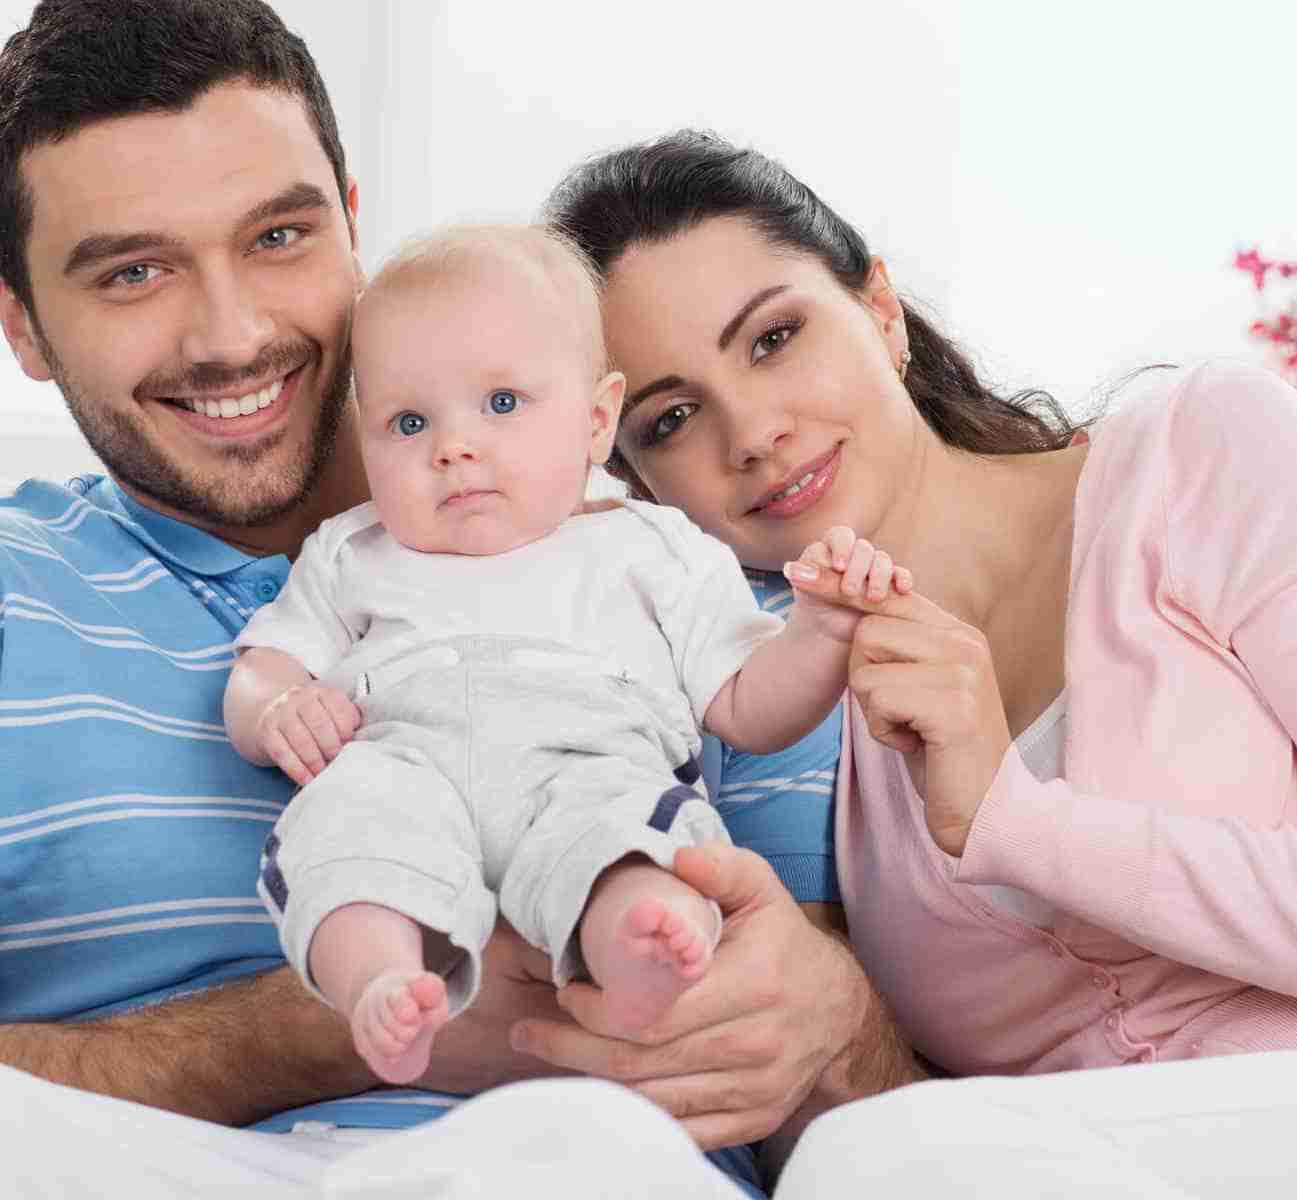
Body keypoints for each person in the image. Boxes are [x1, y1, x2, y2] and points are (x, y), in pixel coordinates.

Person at [530, 131, 1297, 1196]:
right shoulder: (809, 725)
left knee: (885, 1166)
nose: (751, 432)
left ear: (878, 309)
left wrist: (1019, 821)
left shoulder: (1198, 455)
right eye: (672, 422)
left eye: (776, 339)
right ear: (639, 485)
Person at [0, 4, 904, 1196]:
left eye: (278, 236)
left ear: (352, 226)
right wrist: (293, 1034)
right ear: (23, 326)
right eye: (134, 271)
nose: (233, 334)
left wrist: (832, 1025)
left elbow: (881, 1114)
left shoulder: (673, 553)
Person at [224, 223, 907, 1087]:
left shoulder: (655, 548)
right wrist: (279, 706)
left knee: (635, 843)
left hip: (589, 766)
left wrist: (823, 631)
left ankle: (640, 954)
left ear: (594, 420)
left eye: (502, 403)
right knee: (344, 829)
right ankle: (381, 980)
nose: (453, 446)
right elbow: (263, 663)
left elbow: (748, 704)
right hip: (405, 764)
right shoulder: (351, 553)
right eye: (407, 421)